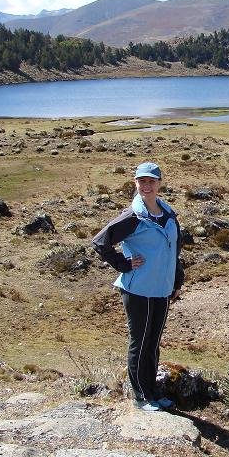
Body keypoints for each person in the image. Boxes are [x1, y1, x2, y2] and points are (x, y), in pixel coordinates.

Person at [92, 161, 184, 411]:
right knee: (140, 342)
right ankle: (141, 396)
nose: (147, 186)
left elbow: (173, 248)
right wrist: (123, 263)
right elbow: (100, 242)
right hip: (138, 289)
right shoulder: (133, 217)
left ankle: (153, 390)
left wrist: (177, 280)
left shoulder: (167, 213)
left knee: (153, 343)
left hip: (162, 289)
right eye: (142, 181)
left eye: (151, 181)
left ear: (159, 184)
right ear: (136, 184)